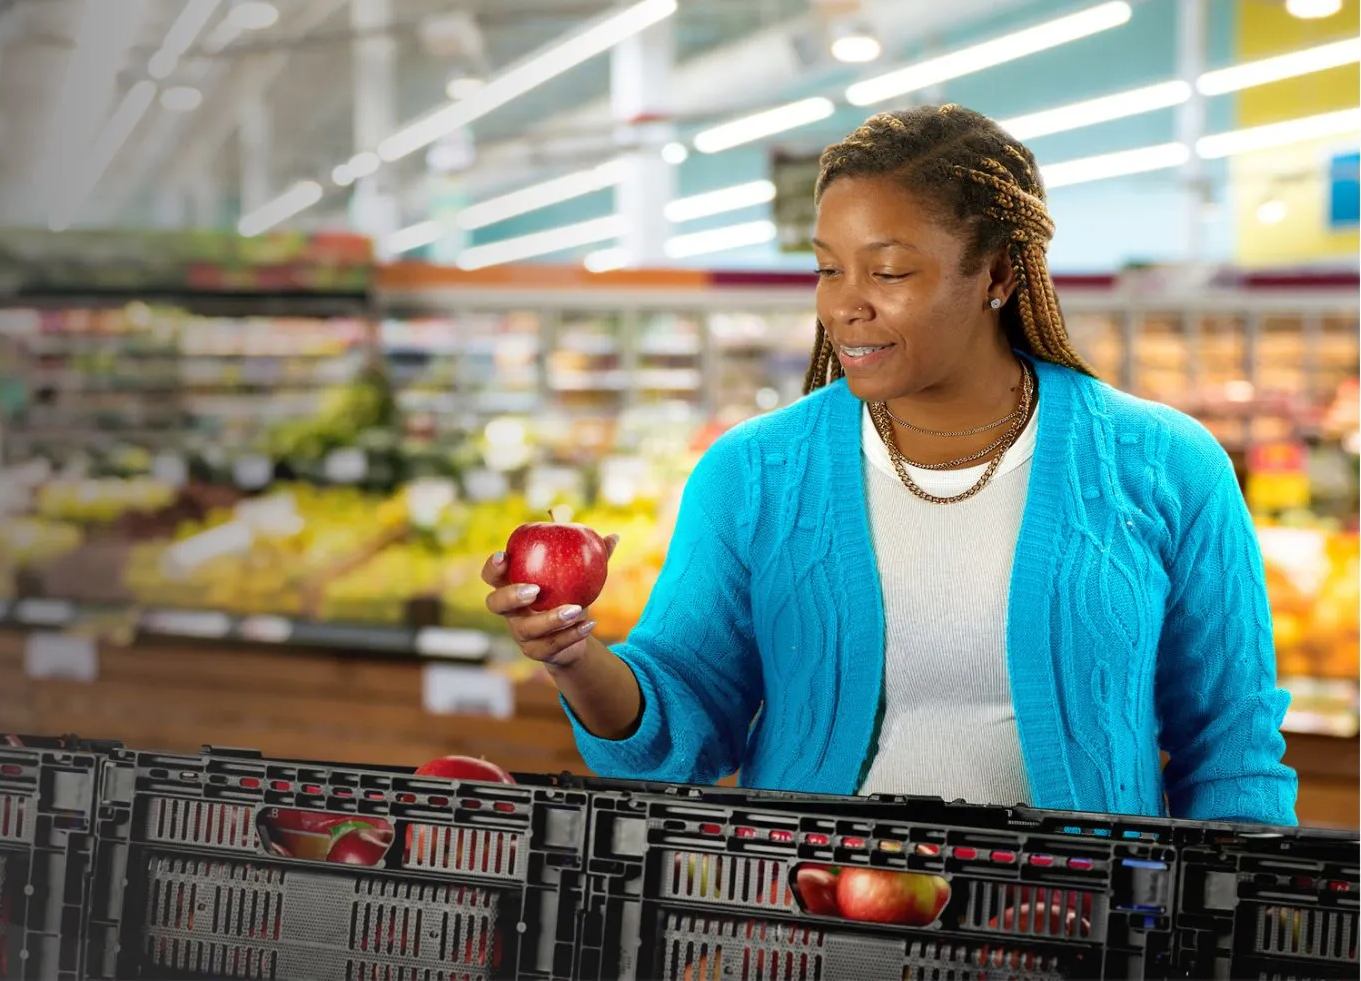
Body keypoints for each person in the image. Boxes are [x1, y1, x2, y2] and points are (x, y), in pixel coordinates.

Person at [482, 104, 1297, 826]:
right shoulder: (753, 472)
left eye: (890, 270)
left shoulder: (1166, 466)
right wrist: (574, 659)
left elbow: (1231, 748)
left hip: (1079, 931)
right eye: (828, 268)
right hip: (810, 931)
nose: (845, 303)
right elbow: (680, 728)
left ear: (999, 274)